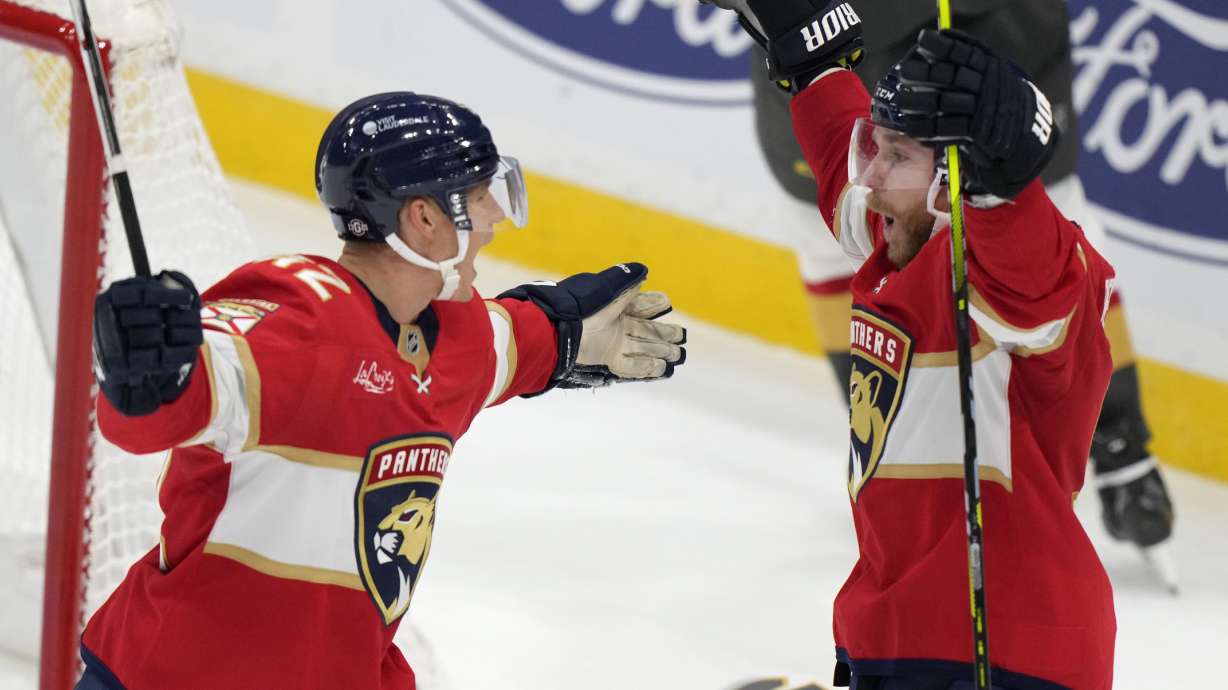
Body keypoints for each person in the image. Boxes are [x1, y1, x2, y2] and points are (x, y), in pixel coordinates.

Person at [79, 92, 687, 690]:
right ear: (424, 218)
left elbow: (525, 343)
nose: (496, 220)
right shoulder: (295, 322)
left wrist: (570, 335)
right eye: (480, 198)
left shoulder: (460, 334)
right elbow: (172, 405)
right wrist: (151, 374)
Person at [706, 1, 1116, 687]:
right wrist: (811, 56)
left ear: (960, 184)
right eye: (879, 145)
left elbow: (1032, 270)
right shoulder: (895, 233)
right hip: (889, 638)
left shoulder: (1015, 285)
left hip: (1006, 654)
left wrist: (1003, 193)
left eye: (895, 155)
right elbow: (841, 147)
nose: (869, 175)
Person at [748, 0, 1174, 557]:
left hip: (986, 35)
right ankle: (891, 428)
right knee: (835, 222)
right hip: (847, 39)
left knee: (1045, 220)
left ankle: (1118, 440)